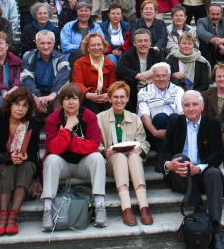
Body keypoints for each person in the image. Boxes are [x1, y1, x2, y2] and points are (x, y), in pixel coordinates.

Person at [160, 91, 224, 249]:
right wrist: (170, 165)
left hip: (202, 172)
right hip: (181, 175)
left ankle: (216, 231)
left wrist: (199, 168)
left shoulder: (212, 124)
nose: (190, 108)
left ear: (202, 106)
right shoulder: (175, 122)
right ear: (182, 107)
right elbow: (165, 152)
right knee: (179, 158)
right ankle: (199, 206)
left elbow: (217, 155)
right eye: (186, 105)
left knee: (213, 173)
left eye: (194, 104)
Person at [41, 83, 107, 230]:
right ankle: (47, 210)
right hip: (62, 164)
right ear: (61, 101)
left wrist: (69, 140)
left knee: (97, 158)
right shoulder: (53, 119)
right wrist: (68, 128)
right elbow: (54, 148)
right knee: (51, 159)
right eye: (66, 99)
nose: (70, 102)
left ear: (80, 100)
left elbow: (93, 145)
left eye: (74, 99)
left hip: (83, 164)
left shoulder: (88, 116)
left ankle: (100, 207)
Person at [97, 81, 153, 226]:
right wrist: (104, 151)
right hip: (111, 163)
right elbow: (95, 144)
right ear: (109, 99)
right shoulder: (100, 118)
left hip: (133, 163)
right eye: (115, 97)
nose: (119, 100)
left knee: (134, 156)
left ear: (128, 99)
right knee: (119, 156)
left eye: (122, 97)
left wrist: (138, 149)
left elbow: (144, 142)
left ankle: (144, 207)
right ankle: (126, 207)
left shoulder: (135, 118)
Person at [0, 88, 40, 236]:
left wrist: (25, 157)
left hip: (24, 164)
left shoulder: (32, 124)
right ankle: (2, 215)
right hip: (2, 164)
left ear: (29, 108)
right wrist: (9, 157)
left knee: (28, 166)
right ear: (10, 105)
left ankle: (13, 215)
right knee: (9, 167)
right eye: (17, 104)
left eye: (25, 105)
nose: (20, 109)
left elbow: (34, 153)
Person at [137, 62, 184, 156]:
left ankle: (167, 158)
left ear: (169, 77)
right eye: (157, 76)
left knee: (174, 117)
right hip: (153, 129)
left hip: (175, 128)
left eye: (164, 76)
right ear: (152, 78)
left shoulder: (178, 90)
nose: (161, 79)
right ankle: (164, 157)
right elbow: (144, 115)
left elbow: (182, 112)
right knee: (161, 117)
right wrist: (155, 132)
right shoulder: (144, 91)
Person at [20, 30, 70, 115]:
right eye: (42, 43)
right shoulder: (29, 57)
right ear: (36, 44)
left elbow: (63, 79)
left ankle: (58, 126)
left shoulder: (61, 58)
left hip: (54, 94)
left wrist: (51, 96)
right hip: (35, 94)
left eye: (49, 43)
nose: (46, 47)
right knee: (25, 101)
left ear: (53, 43)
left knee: (61, 102)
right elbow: (26, 79)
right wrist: (38, 98)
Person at [117, 28, 164, 112]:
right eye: (140, 41)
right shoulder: (129, 54)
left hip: (152, 89)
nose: (143, 44)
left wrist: (151, 76)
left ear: (150, 43)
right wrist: (138, 75)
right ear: (134, 43)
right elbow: (121, 69)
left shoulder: (155, 54)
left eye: (146, 41)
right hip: (133, 91)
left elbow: (165, 67)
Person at [72, 33, 117, 114]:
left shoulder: (110, 64)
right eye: (93, 45)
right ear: (88, 48)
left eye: (99, 44)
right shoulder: (79, 63)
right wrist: (87, 94)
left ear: (103, 47)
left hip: (106, 98)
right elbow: (78, 83)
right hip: (86, 98)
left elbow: (113, 84)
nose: (96, 47)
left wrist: (108, 94)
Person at [196, 4, 224, 68]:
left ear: (221, 14)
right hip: (208, 52)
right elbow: (201, 32)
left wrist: (223, 40)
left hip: (223, 52)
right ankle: (208, 68)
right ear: (208, 14)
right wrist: (219, 44)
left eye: (217, 14)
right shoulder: (202, 21)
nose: (215, 16)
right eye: (212, 14)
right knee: (204, 41)